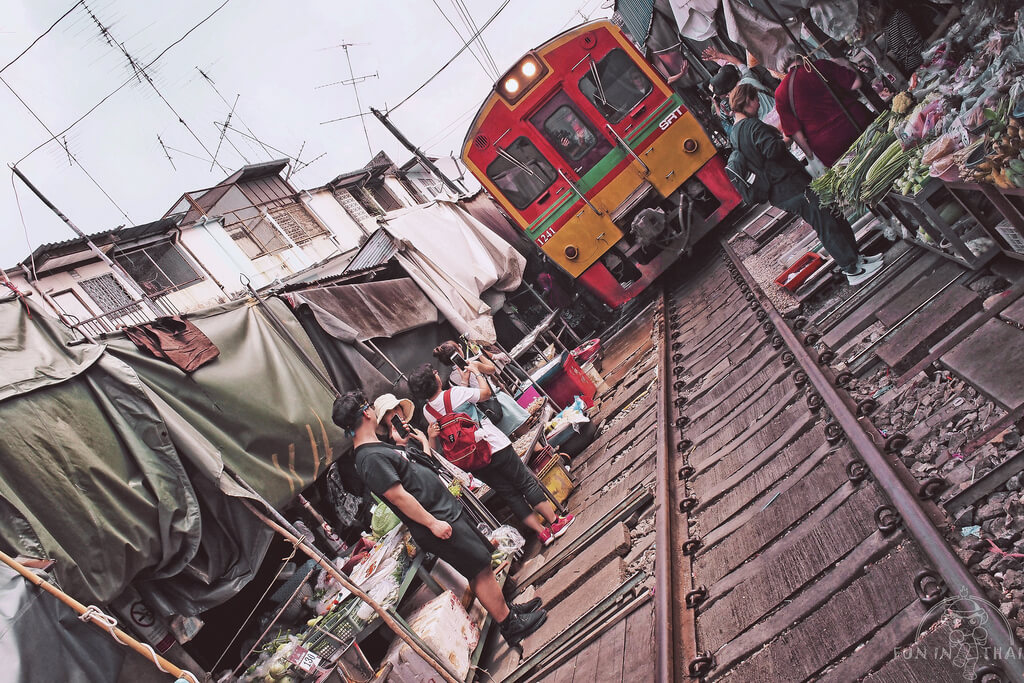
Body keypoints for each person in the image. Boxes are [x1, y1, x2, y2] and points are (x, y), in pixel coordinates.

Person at [332, 390, 547, 647]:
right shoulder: (369, 458)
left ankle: (508, 611)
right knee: (478, 568)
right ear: (366, 412)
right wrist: (432, 523)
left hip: (443, 510)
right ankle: (510, 625)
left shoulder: (376, 448)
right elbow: (398, 496)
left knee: (481, 563)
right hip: (436, 518)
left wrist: (407, 444)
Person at [728, 84, 883, 286]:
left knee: (833, 216)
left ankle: (856, 258)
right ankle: (852, 269)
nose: (758, 103)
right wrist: (787, 136)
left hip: (781, 191)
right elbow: (772, 151)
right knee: (827, 223)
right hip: (790, 186)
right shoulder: (752, 126)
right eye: (755, 99)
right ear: (747, 101)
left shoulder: (735, 132)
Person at [408, 363, 575, 546]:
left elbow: (450, 408)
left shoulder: (428, 412)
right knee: (524, 482)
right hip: (493, 445)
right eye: (435, 373)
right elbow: (486, 393)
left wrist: (463, 382)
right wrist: (477, 373)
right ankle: (555, 522)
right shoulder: (455, 393)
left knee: (510, 494)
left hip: (472, 460)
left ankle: (542, 533)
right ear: (435, 379)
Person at [774, 51, 877, 169]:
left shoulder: (780, 93)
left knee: (858, 174)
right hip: (856, 124)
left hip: (829, 147)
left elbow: (794, 131)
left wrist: (809, 153)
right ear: (801, 56)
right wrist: (845, 63)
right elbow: (856, 83)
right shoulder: (820, 66)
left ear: (782, 69)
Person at [704, 48, 779, 131]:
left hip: (772, 128)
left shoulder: (735, 103)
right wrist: (718, 55)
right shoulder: (748, 79)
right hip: (783, 111)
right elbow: (737, 62)